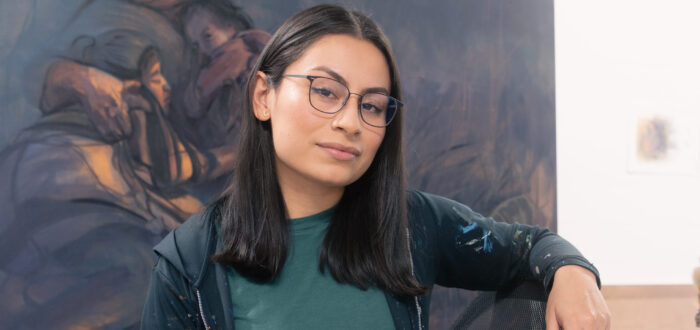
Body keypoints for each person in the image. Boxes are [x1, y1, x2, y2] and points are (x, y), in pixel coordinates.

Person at [141, 4, 611, 330]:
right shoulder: (189, 265)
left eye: (372, 105)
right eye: (325, 91)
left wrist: (573, 272)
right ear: (264, 96)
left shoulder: (412, 225)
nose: (350, 122)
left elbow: (530, 245)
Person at [0, 29, 203, 329]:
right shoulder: (103, 110)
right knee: (141, 268)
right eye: (157, 76)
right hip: (49, 188)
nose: (166, 85)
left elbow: (144, 191)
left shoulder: (127, 131)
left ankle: (26, 299)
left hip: (62, 200)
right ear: (133, 84)